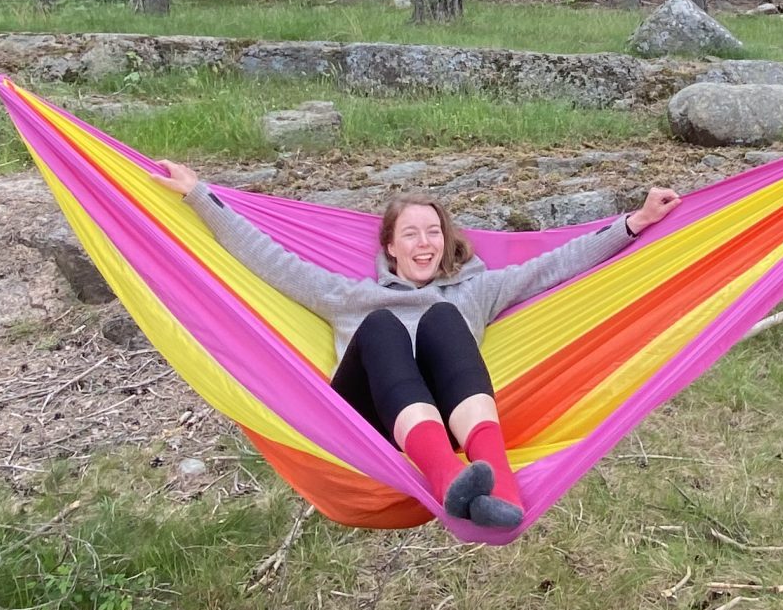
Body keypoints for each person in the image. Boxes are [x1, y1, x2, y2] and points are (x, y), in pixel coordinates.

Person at [160, 162, 680, 529]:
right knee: (383, 326)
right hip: (365, 424)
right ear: (389, 246)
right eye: (410, 234)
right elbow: (268, 259)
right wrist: (199, 194)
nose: (424, 243)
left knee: (443, 318)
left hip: (445, 412)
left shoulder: (476, 291)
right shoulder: (349, 296)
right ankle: (448, 474)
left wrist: (634, 223)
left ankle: (495, 483)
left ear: (446, 240)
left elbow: (552, 266)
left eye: (433, 232)